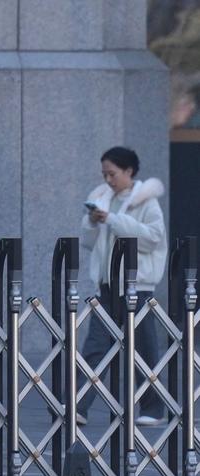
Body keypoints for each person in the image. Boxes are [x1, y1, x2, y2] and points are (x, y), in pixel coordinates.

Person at [76, 147, 167, 427]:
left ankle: (153, 409)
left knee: (144, 349)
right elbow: (88, 242)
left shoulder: (147, 201)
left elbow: (153, 238)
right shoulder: (102, 197)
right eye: (104, 174)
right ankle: (77, 405)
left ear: (129, 171)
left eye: (112, 174)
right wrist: (92, 221)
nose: (108, 179)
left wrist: (113, 220)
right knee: (95, 347)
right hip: (106, 286)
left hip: (138, 286)